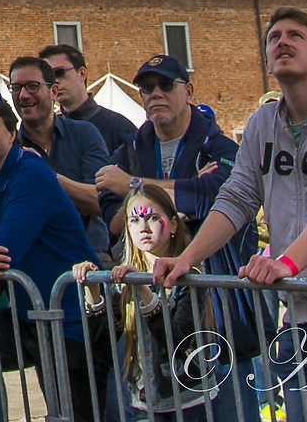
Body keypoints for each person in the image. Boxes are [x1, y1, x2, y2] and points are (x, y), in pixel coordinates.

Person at [155, 6, 307, 422]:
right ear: (268, 60)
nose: (282, 41)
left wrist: (286, 262)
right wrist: (186, 259)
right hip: (301, 318)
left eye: (295, 35)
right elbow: (236, 199)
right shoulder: (261, 123)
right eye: (273, 38)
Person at [99, 53, 264, 407]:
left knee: (231, 409)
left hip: (217, 303)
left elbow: (215, 198)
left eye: (165, 85)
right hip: (149, 307)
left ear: (189, 91)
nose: (154, 93)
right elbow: (113, 219)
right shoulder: (129, 149)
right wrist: (183, 192)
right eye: (146, 87)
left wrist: (133, 186)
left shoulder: (219, 146)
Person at [0, 92, 106, 422]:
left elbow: (5, 252)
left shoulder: (31, 173)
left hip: (74, 320)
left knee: (77, 415)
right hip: (30, 316)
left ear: (12, 134)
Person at [83, 182, 227, 422]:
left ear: (172, 224)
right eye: (135, 220)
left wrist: (143, 291)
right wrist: (93, 292)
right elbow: (101, 347)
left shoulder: (190, 277)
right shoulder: (126, 279)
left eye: (152, 218)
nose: (144, 228)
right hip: (144, 402)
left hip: (191, 401)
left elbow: (178, 342)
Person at [5, 55, 115, 243]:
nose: (23, 95)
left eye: (32, 86)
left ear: (54, 91)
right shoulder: (8, 146)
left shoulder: (84, 134)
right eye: (16, 88)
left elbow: (101, 202)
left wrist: (46, 175)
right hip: (35, 255)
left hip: (90, 254)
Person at [39, 42, 143, 158]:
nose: (55, 81)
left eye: (59, 72)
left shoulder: (120, 128)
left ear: (82, 73)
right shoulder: (48, 131)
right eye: (49, 77)